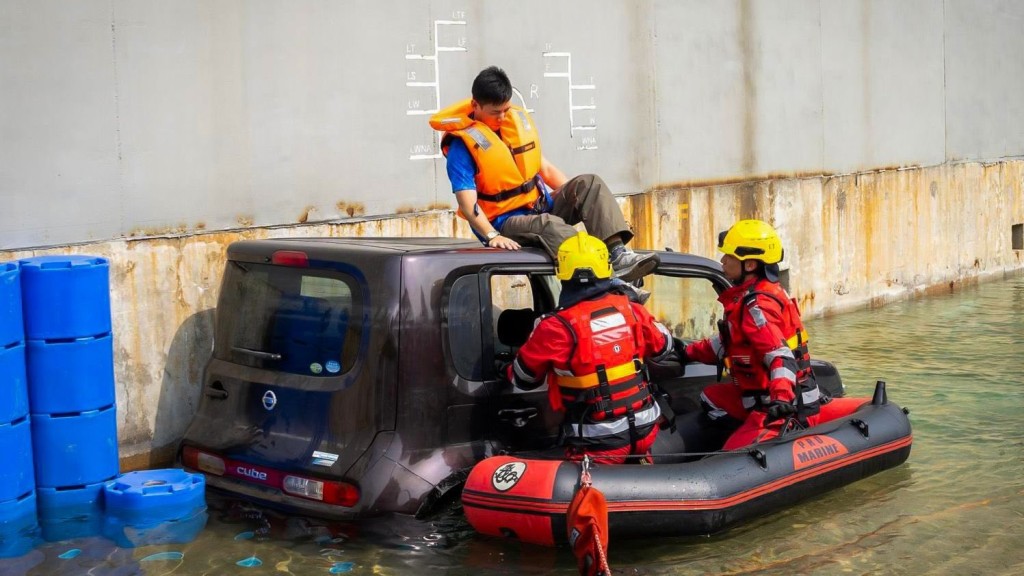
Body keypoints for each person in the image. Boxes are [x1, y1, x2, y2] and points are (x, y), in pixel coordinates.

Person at [429, 66, 659, 285]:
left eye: (506, 110)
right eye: (495, 113)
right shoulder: (462, 147)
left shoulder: (514, 127)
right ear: (475, 105)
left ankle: (618, 256)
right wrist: (491, 236)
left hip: (538, 207)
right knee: (548, 224)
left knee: (589, 184)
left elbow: (546, 171)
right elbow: (468, 205)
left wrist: (577, 199)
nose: (501, 118)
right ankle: (607, 279)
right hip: (504, 222)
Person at [503, 232, 675, 464]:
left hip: (598, 443)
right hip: (645, 430)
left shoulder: (554, 327)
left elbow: (523, 379)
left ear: (562, 273)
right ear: (606, 269)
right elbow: (665, 346)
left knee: (586, 499)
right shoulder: (632, 309)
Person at [680, 219, 825, 450]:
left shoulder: (757, 306)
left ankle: (763, 438)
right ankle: (748, 431)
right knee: (711, 397)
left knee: (729, 456)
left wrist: (781, 399)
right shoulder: (750, 297)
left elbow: (781, 357)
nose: (723, 261)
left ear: (749, 265)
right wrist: (686, 352)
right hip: (759, 396)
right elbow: (729, 343)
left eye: (729, 256)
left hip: (780, 404)